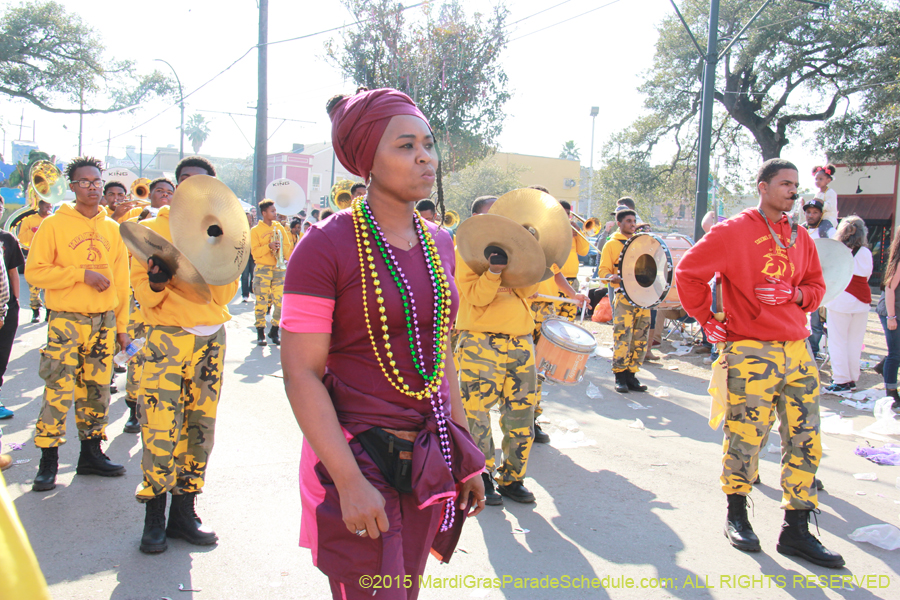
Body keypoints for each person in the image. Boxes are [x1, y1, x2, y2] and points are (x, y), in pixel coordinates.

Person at [281, 88, 484, 600]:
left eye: (429, 144)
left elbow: (442, 355)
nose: (425, 157)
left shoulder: (440, 242)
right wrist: (348, 481)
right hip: (357, 455)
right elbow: (301, 372)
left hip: (425, 454)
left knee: (406, 587)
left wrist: (464, 454)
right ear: (366, 160)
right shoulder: (324, 245)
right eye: (405, 145)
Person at [675, 158, 843, 568]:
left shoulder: (800, 236)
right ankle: (737, 515)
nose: (793, 191)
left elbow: (817, 286)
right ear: (763, 186)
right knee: (745, 435)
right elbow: (689, 272)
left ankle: (797, 530)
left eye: (796, 185)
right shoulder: (733, 230)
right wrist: (707, 319)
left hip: (798, 350)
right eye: (785, 183)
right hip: (751, 350)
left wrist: (796, 297)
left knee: (806, 438)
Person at [132, 155, 238, 554]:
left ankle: (184, 513)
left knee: (200, 427)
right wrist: (157, 284)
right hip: (167, 338)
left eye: (203, 182)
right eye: (186, 181)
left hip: (211, 339)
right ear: (176, 187)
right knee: (160, 426)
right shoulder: (148, 231)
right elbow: (141, 294)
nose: (194, 189)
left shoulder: (223, 229)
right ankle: (153, 517)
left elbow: (226, 293)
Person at [25, 156, 131, 492]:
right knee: (58, 389)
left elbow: (122, 283)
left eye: (97, 182)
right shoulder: (54, 225)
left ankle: (90, 454)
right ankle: (48, 460)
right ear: (72, 187)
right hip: (66, 321)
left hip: (103, 321)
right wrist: (80, 275)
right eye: (85, 182)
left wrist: (122, 328)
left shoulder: (112, 229)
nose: (93, 188)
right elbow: (35, 272)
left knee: (97, 390)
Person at [456, 196, 543, 506]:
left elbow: (528, 289)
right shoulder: (464, 254)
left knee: (521, 413)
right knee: (476, 414)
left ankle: (512, 478)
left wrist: (524, 256)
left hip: (519, 341)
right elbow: (477, 297)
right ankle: (482, 477)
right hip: (481, 341)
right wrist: (493, 272)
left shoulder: (514, 253)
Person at [121, 178, 175, 434]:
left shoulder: (178, 222)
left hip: (168, 301)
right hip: (138, 298)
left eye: (169, 192)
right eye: (159, 191)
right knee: (136, 353)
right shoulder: (136, 216)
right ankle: (132, 408)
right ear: (150, 194)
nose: (164, 195)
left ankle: (153, 409)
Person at [598, 208, 651, 393]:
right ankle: (619, 376)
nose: (632, 224)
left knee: (640, 337)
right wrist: (611, 277)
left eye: (633, 220)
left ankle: (632, 375)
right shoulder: (611, 245)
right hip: (623, 297)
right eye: (628, 221)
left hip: (642, 296)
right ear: (619, 224)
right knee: (623, 336)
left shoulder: (641, 242)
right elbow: (602, 270)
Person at [822, 216, 872, 394]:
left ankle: (841, 379)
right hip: (862, 301)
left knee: (837, 341)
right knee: (854, 342)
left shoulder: (838, 250)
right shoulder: (866, 252)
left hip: (840, 299)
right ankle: (851, 378)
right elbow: (867, 276)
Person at [250, 199, 294, 346]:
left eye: (275, 211)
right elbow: (255, 253)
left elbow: (287, 246)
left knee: (280, 301)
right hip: (263, 269)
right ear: (264, 213)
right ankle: (260, 331)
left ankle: (274, 330)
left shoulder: (279, 228)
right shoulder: (255, 231)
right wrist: (269, 246)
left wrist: (287, 256)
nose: (275, 213)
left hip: (278, 268)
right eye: (272, 211)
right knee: (261, 301)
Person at [801, 198, 837, 359]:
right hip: (800, 279)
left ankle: (813, 350)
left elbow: (834, 252)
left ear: (821, 214)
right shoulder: (800, 230)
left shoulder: (827, 231)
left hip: (817, 280)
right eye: (808, 212)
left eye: (815, 212)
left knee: (816, 319)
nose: (811, 215)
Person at [0, 206, 25, 420]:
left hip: (5, 307)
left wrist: (14, 302)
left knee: (1, 355)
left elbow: (12, 272)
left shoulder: (7, 239)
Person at [17, 200, 51, 323]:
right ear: (40, 206)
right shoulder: (29, 220)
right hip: (34, 257)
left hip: (49, 258)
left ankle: (49, 312)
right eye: (46, 206)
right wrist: (32, 231)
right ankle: (35, 312)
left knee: (49, 287)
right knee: (34, 287)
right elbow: (21, 239)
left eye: (50, 206)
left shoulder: (53, 220)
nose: (49, 208)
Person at [877, 227, 900, 409]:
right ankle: (891, 394)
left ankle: (882, 367)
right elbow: (890, 289)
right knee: (895, 354)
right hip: (891, 311)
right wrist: (891, 317)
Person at [240, 211, 256, 303]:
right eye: (247, 218)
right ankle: (245, 294)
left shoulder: (254, 229)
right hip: (245, 255)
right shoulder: (241, 229)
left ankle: (252, 290)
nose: (249, 220)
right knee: (245, 275)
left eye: (250, 218)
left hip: (253, 254)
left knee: (253, 274)